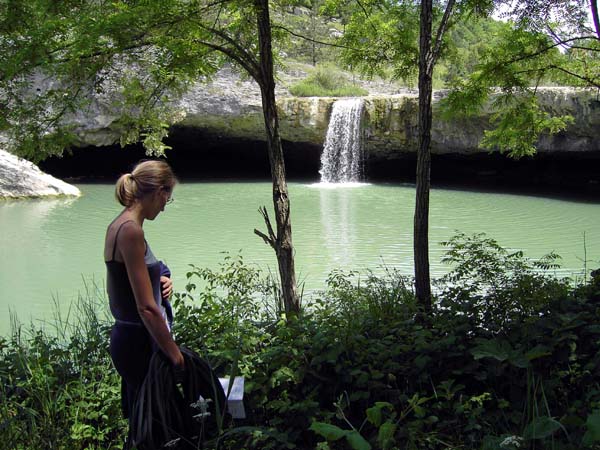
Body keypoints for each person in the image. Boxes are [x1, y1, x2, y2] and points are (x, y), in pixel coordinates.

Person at [103, 160, 183, 447]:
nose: (164, 206)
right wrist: (174, 354)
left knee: (145, 419)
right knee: (155, 426)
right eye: (167, 199)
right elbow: (146, 309)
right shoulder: (131, 232)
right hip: (139, 341)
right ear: (159, 192)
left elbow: (125, 282)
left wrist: (163, 279)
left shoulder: (121, 224)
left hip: (129, 337)